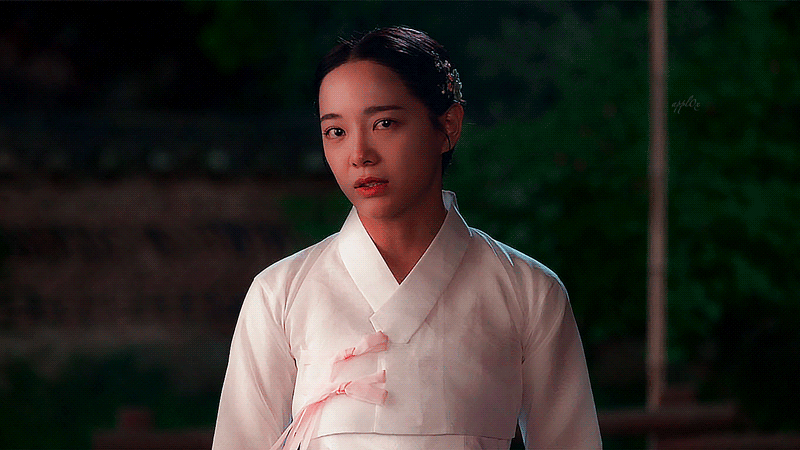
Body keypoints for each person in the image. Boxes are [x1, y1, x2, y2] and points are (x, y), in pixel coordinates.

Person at [213, 26, 601, 450]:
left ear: (448, 126)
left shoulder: (528, 291)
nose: (359, 155)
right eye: (336, 132)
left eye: (384, 123)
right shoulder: (280, 293)